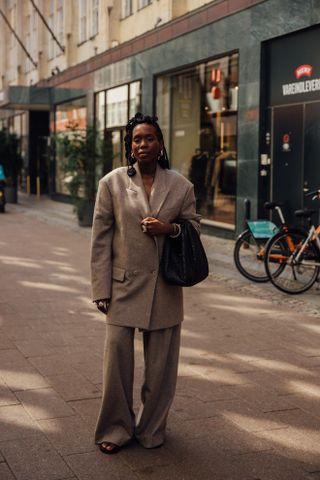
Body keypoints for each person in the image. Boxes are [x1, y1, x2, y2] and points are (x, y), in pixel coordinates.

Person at [90, 112, 201, 455]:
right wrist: (101, 289)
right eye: (136, 139)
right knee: (117, 365)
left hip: (166, 288)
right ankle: (115, 428)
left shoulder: (181, 186)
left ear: (161, 143)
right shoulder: (111, 183)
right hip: (122, 287)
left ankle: (152, 429)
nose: (142, 144)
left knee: (161, 371)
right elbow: (101, 240)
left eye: (149, 138)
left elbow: (194, 230)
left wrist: (169, 229)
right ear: (129, 145)